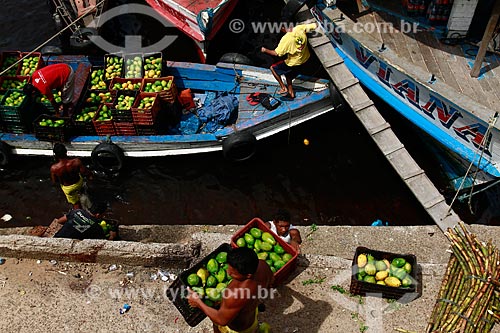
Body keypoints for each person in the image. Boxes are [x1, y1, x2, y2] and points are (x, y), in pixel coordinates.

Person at [187, 247, 274, 333]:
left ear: (248, 275)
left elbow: (221, 320)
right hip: (251, 317)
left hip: (237, 329)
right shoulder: (263, 265)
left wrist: (198, 303)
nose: (228, 272)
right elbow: (270, 283)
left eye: (233, 273)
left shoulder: (235, 294)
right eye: (229, 267)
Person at [261, 22, 317, 99]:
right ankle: (291, 94)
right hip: (305, 59)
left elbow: (276, 53)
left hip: (293, 63)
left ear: (283, 28)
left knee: (273, 68)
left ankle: (283, 88)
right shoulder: (299, 28)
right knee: (289, 75)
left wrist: (265, 50)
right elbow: (314, 25)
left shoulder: (286, 39)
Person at [50, 143, 93, 210]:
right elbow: (84, 172)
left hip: (68, 188)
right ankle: (83, 195)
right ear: (66, 151)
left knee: (75, 203)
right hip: (78, 183)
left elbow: (54, 181)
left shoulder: (54, 168)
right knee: (82, 191)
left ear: (55, 155)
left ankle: (79, 215)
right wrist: (91, 176)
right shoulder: (76, 161)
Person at [52, 201, 117, 240]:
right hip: (67, 246)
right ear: (97, 215)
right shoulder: (96, 227)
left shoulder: (77, 211)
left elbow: (59, 221)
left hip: (57, 238)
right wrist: (112, 235)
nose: (104, 216)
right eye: (103, 214)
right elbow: (103, 241)